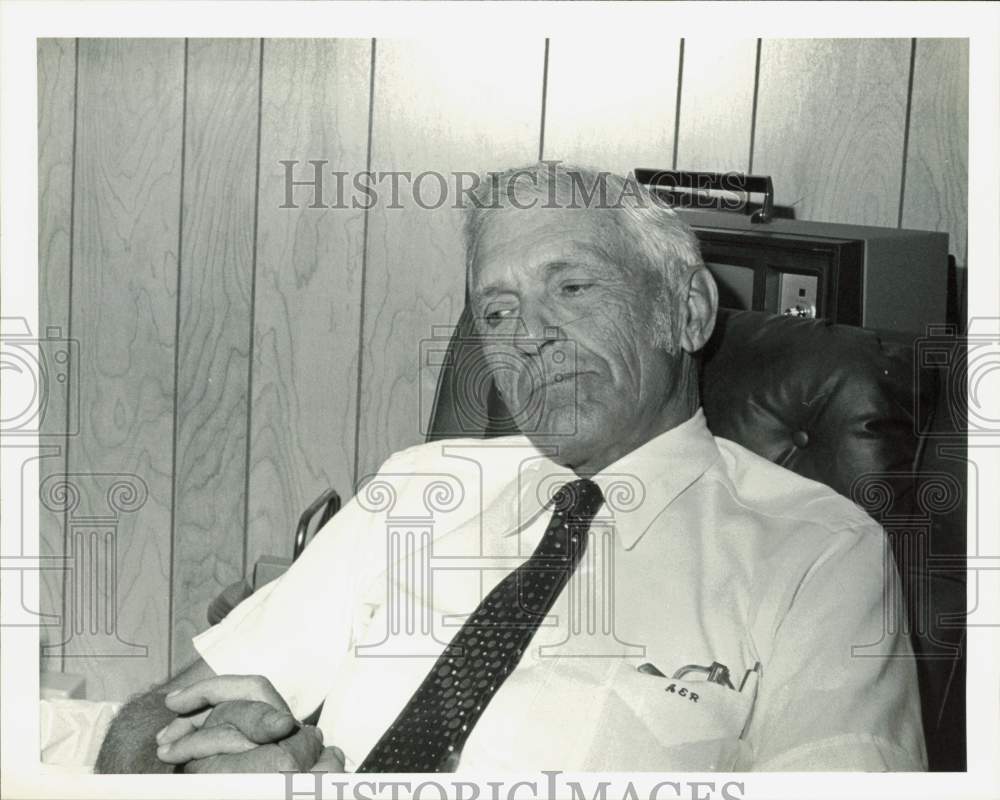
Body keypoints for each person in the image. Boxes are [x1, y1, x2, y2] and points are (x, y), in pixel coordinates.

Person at [95, 163, 926, 774]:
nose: (527, 337)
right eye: (497, 309)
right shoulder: (418, 489)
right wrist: (199, 771)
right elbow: (136, 731)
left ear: (687, 309)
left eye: (571, 288)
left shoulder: (817, 557)